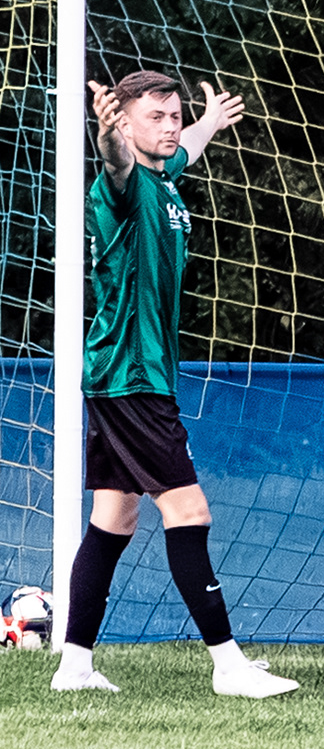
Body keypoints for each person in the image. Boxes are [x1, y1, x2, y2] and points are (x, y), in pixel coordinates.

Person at [51, 70, 297, 700]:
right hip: (131, 376)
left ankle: (74, 666)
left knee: (113, 518)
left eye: (173, 115)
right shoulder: (125, 186)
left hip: (127, 375)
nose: (168, 126)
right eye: (154, 117)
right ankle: (227, 665)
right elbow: (114, 163)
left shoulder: (164, 178)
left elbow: (184, 146)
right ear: (125, 123)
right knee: (188, 511)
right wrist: (106, 137)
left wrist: (210, 118)